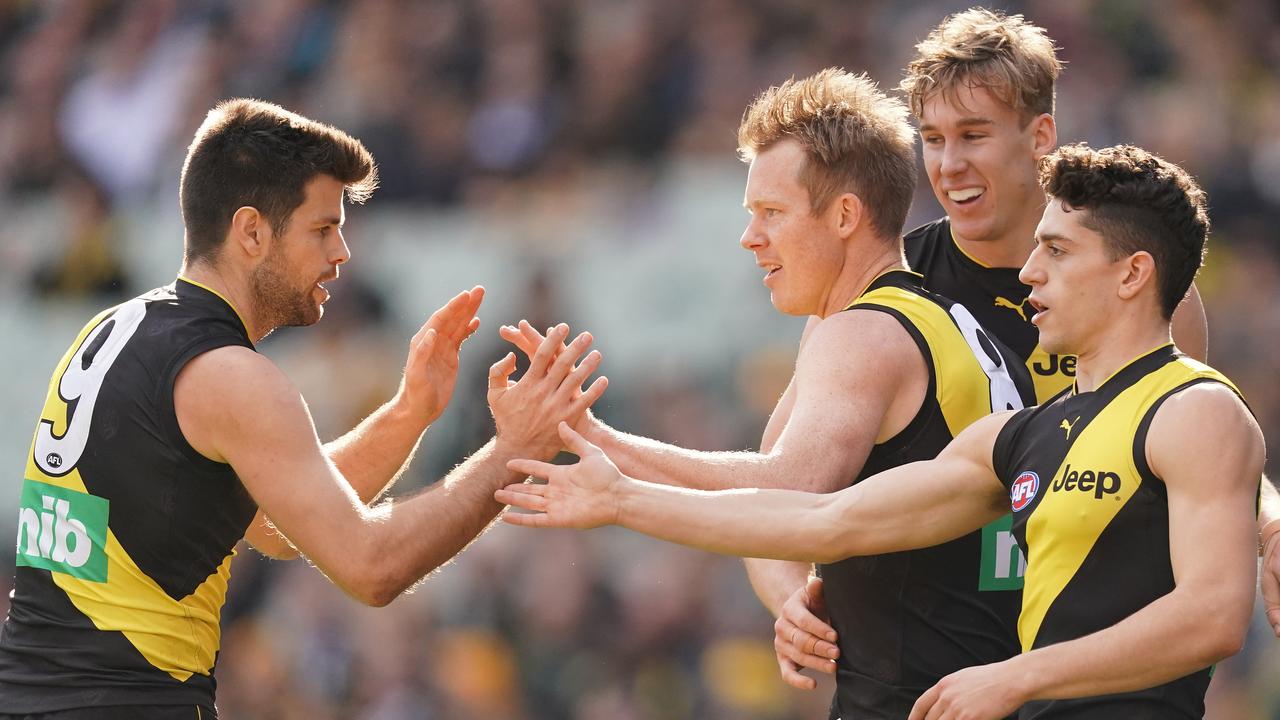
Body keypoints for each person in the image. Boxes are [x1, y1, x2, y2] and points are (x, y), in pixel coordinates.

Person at [499, 143, 1263, 720]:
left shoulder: (1194, 408)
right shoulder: (1023, 437)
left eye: (1057, 252)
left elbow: (1213, 616)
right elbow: (823, 515)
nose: (1029, 272)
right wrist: (619, 490)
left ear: (1132, 274)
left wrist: (1020, 675)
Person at [0, 98, 606, 719]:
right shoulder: (233, 377)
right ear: (252, 231)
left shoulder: (111, 329)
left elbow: (275, 525)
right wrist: (513, 453)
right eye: (322, 229)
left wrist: (408, 413)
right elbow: (372, 566)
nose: (342, 253)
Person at [501, 67, 1036, 719]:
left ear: (844, 215)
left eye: (771, 214)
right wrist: (790, 597)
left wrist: (609, 476)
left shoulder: (865, 335)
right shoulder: (928, 316)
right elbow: (766, 498)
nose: (749, 237)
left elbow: (790, 491)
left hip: (921, 699)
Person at [772, 6, 1280, 687]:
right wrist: (785, 601)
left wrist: (1271, 520)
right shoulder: (880, 294)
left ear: (1040, 135)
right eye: (932, 139)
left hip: (1086, 681)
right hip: (921, 685)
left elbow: (1201, 446)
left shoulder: (1139, 281)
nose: (949, 165)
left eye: (974, 135)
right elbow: (780, 479)